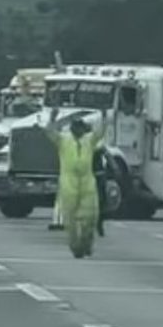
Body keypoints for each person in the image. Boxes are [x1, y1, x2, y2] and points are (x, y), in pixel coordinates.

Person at [41, 110, 106, 258]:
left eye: (80, 128)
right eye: (76, 128)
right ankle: (76, 247)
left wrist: (104, 117)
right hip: (68, 184)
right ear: (72, 129)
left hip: (87, 183)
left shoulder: (88, 140)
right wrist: (52, 117)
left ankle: (87, 244)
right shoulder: (63, 140)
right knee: (70, 220)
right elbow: (49, 131)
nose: (78, 131)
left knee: (90, 217)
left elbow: (100, 132)